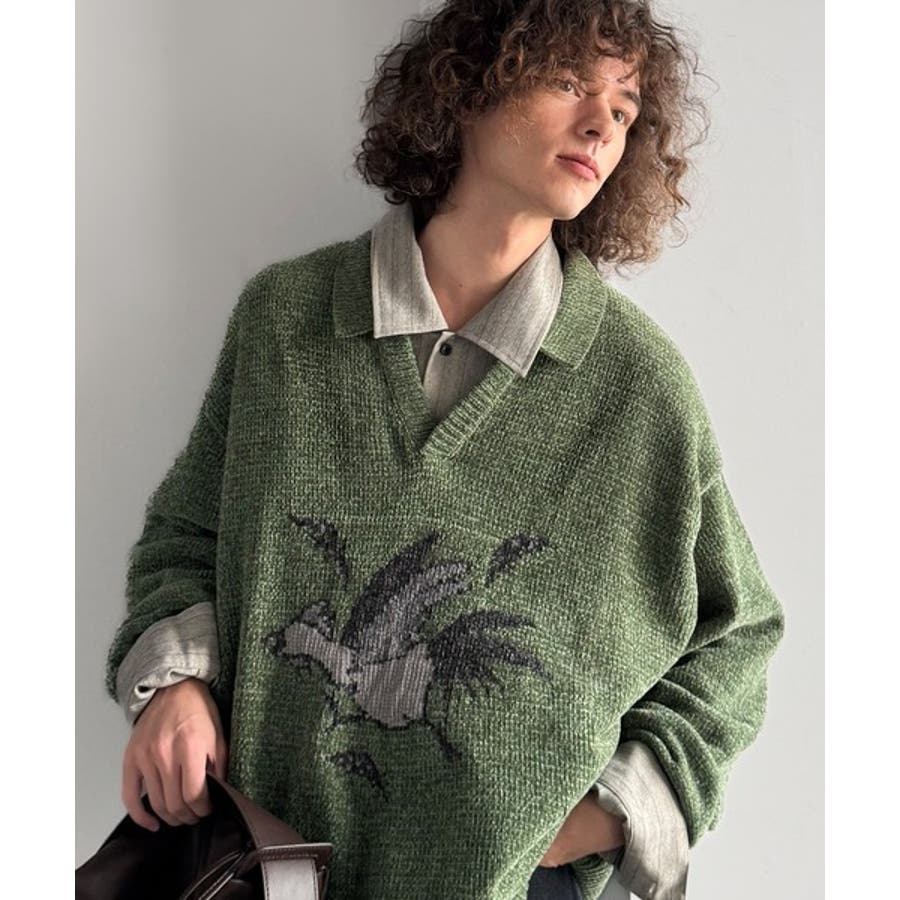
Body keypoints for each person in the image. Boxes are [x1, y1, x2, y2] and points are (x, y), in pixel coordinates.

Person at [104, 2, 785, 899]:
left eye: (624, 111)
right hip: (269, 871)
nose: (600, 126)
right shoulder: (287, 321)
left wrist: (616, 809)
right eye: (570, 82)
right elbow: (187, 535)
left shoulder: (638, 387)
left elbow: (739, 632)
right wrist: (175, 688)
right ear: (469, 85)